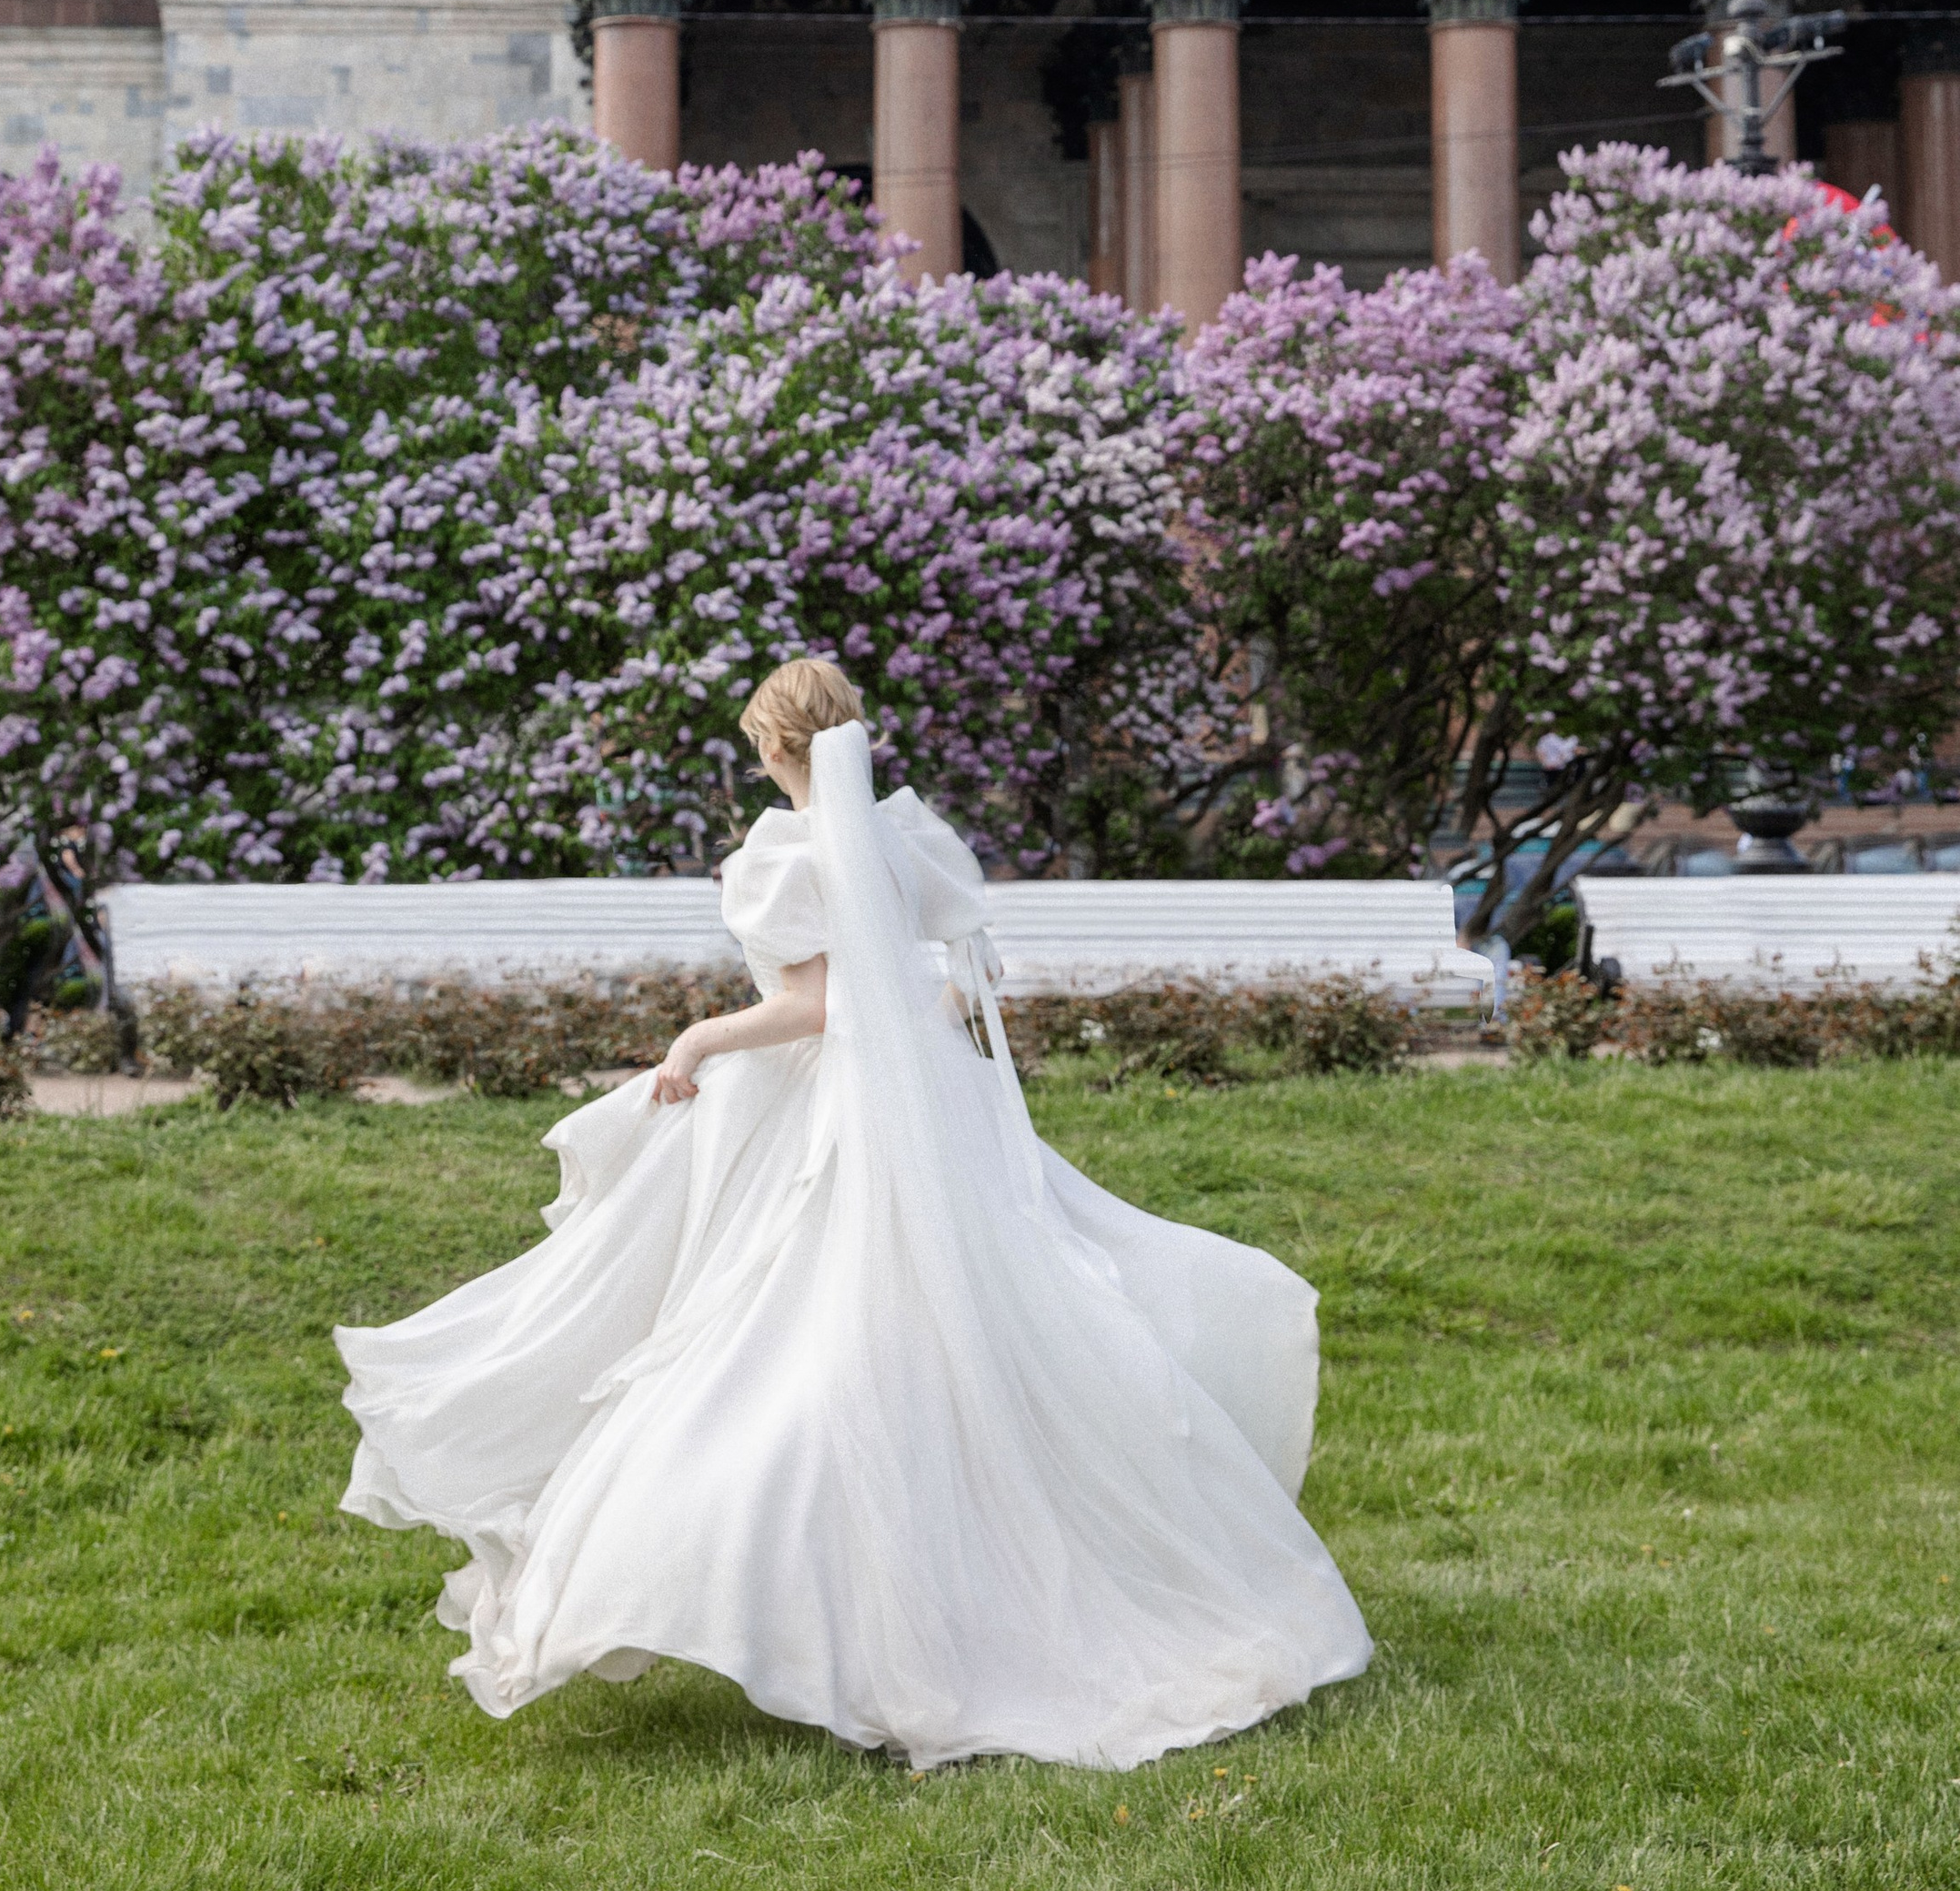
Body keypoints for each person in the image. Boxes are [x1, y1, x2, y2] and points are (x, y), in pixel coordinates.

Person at [335, 659, 1372, 1773]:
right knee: (961, 1331)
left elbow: (814, 1006)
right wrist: (911, 1032)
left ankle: (832, 1616)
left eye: (757, 752)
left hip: (832, 1126)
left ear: (778, 749)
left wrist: (693, 1043)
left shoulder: (780, 855)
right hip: (931, 1112)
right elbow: (962, 983)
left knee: (789, 1343)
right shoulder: (904, 839)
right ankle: (933, 1592)